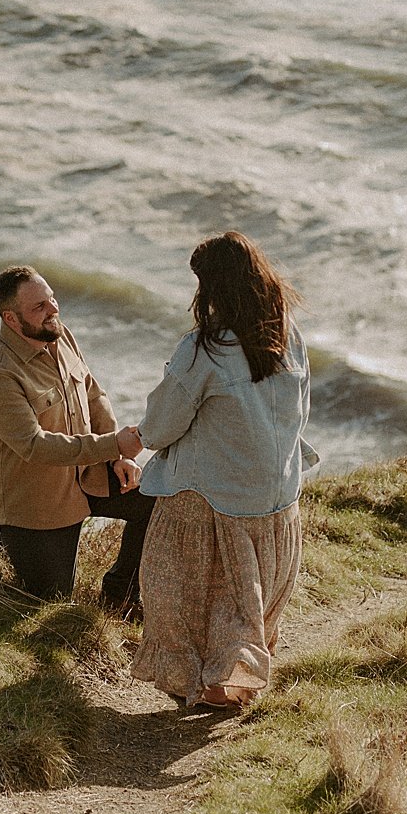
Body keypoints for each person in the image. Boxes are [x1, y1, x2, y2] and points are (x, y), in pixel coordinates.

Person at [132, 233, 318, 709]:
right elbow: (302, 409)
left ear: (213, 287)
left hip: (214, 490)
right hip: (277, 491)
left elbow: (160, 426)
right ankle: (235, 674)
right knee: (248, 594)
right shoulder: (287, 335)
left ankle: (208, 681)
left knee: (179, 591)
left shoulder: (204, 350)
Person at [0, 266, 153, 612]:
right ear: (10, 318)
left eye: (52, 299)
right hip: (36, 500)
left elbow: (94, 394)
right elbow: (34, 446)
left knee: (158, 499)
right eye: (39, 307)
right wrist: (115, 443)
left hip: (87, 473)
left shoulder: (59, 334)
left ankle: (121, 596)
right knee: (50, 602)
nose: (53, 310)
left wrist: (118, 458)